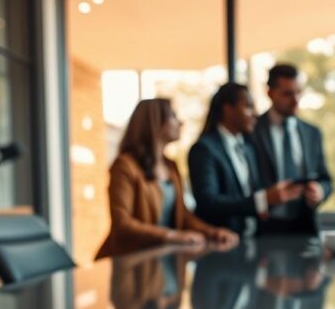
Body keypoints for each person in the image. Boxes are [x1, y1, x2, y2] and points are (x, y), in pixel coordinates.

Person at [95, 98, 237, 260]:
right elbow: (122, 223)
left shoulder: (171, 166)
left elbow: (182, 215)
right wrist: (171, 235)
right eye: (174, 116)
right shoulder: (125, 166)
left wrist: (212, 232)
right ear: (156, 122)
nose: (180, 123)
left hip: (164, 258)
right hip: (131, 264)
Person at [188, 83, 303, 237]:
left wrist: (271, 197)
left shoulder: (248, 148)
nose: (255, 114)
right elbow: (208, 201)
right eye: (248, 107)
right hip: (220, 243)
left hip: (251, 241)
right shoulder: (204, 149)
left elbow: (250, 194)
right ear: (228, 109)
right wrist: (261, 200)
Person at [251, 64, 332, 235]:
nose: (296, 99)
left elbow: (326, 179)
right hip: (265, 227)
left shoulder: (312, 133)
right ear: (270, 93)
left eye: (299, 92)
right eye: (288, 94)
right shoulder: (252, 130)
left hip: (306, 226)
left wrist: (320, 191)